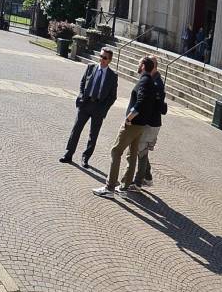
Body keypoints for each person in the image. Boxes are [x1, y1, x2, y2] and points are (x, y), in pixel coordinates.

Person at [94, 56, 157, 198]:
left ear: (142, 66)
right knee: (132, 154)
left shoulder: (144, 81)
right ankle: (124, 187)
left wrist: (129, 118)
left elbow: (140, 103)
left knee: (116, 151)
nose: (137, 65)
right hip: (140, 125)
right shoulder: (151, 82)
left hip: (133, 124)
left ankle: (110, 187)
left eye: (139, 63)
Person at [61, 48, 118, 168]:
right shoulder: (90, 67)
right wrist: (81, 97)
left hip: (98, 107)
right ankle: (68, 154)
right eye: (101, 56)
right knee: (76, 130)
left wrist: (104, 108)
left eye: (105, 58)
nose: (102, 60)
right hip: (85, 104)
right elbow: (83, 83)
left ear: (110, 60)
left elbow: (113, 96)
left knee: (93, 135)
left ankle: (85, 158)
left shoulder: (113, 76)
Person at [133, 59, 167, 187]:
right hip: (149, 121)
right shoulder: (152, 79)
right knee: (141, 150)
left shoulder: (156, 83)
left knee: (141, 150)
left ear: (153, 66)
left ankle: (138, 182)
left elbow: (152, 103)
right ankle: (147, 177)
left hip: (151, 122)